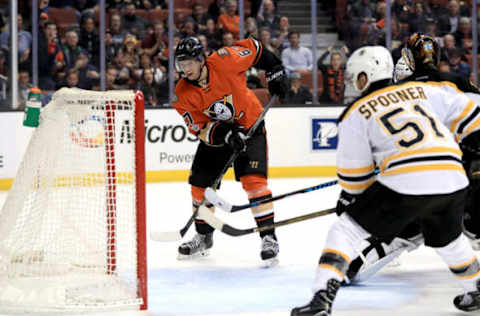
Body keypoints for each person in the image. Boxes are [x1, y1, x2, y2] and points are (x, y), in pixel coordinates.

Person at [291, 45, 480, 316]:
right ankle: (475, 285)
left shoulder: (355, 112)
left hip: (407, 182)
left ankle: (321, 298)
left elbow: (354, 181)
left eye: (354, 77)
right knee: (449, 240)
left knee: (345, 230)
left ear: (365, 77)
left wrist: (359, 199)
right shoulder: (426, 91)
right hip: (454, 175)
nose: (352, 84)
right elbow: (473, 119)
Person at [346, 33, 480, 284]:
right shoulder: (460, 83)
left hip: (422, 181)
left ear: (409, 59)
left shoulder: (399, 92)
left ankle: (360, 260)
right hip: (462, 179)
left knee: (408, 224)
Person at [172, 36, 288, 266]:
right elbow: (201, 129)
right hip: (219, 136)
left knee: (254, 182)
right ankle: (204, 236)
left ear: (201, 59)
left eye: (189, 63)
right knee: (199, 185)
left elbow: (255, 49)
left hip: (250, 126)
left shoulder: (225, 60)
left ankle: (268, 238)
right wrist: (227, 135)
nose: (185, 69)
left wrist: (274, 69)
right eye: (181, 64)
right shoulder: (182, 92)